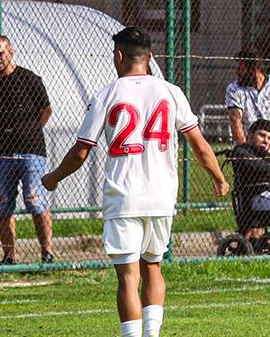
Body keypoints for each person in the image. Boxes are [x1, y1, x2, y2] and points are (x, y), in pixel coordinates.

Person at [41, 26, 228, 337]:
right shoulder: (170, 91)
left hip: (124, 196)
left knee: (128, 276)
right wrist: (219, 178)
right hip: (161, 196)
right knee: (152, 266)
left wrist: (53, 178)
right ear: (150, 57)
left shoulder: (107, 94)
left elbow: (80, 152)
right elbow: (199, 144)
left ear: (118, 56)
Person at [0, 35, 54, 265]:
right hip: (2, 153)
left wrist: (30, 131)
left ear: (11, 52)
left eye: (1, 53)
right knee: (2, 204)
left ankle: (47, 252)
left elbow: (46, 110)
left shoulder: (29, 79)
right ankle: (9, 255)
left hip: (31, 151)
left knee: (35, 201)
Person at [228, 119, 270, 242]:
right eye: (262, 135)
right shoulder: (241, 151)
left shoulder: (265, 155)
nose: (265, 140)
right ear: (250, 135)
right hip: (252, 198)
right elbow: (257, 166)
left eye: (269, 138)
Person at [226, 46, 270, 146]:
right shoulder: (234, 89)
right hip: (248, 146)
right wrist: (246, 150)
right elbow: (235, 122)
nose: (237, 72)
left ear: (254, 70)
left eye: (241, 69)